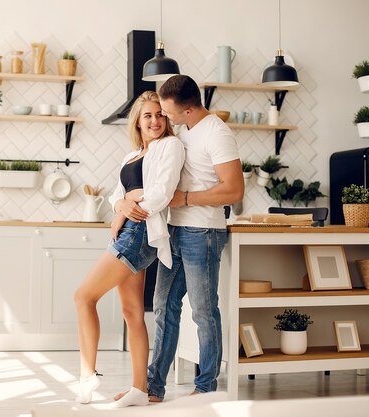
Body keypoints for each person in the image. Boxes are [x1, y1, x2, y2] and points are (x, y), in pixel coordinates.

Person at [73, 91, 185, 407]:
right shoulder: (131, 155)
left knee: (83, 296)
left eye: (160, 115)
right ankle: (139, 388)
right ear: (138, 120)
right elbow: (116, 196)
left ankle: (87, 376)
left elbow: (160, 194)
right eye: (148, 115)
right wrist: (123, 203)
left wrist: (129, 203)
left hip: (139, 233)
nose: (155, 121)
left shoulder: (170, 146)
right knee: (132, 312)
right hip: (127, 229)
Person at [146, 75, 244, 400]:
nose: (164, 116)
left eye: (168, 111)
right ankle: (153, 386)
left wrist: (185, 199)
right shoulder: (186, 131)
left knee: (203, 311)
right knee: (163, 305)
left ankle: (206, 388)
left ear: (187, 109)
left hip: (202, 232)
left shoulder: (217, 133)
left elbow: (234, 189)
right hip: (176, 229)